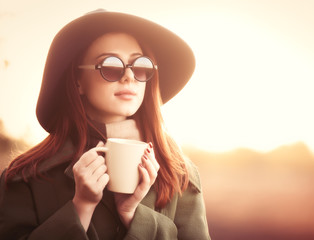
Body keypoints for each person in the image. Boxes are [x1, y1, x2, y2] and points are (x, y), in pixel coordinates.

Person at [0, 10, 210, 240]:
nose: (129, 76)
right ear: (78, 81)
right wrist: (80, 208)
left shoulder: (179, 173)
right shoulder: (26, 176)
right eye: (110, 65)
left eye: (140, 65)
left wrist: (134, 216)